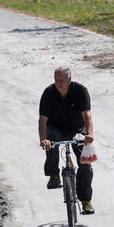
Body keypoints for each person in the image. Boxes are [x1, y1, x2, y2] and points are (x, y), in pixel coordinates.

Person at [39, 66, 95, 215]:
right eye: (56, 80)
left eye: (61, 80)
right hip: (55, 129)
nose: (58, 83)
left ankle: (86, 201)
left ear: (69, 80)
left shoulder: (80, 91)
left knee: (86, 162)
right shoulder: (48, 93)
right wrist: (43, 139)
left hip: (77, 130)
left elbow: (87, 115)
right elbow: (43, 119)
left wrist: (89, 134)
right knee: (50, 142)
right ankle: (54, 175)